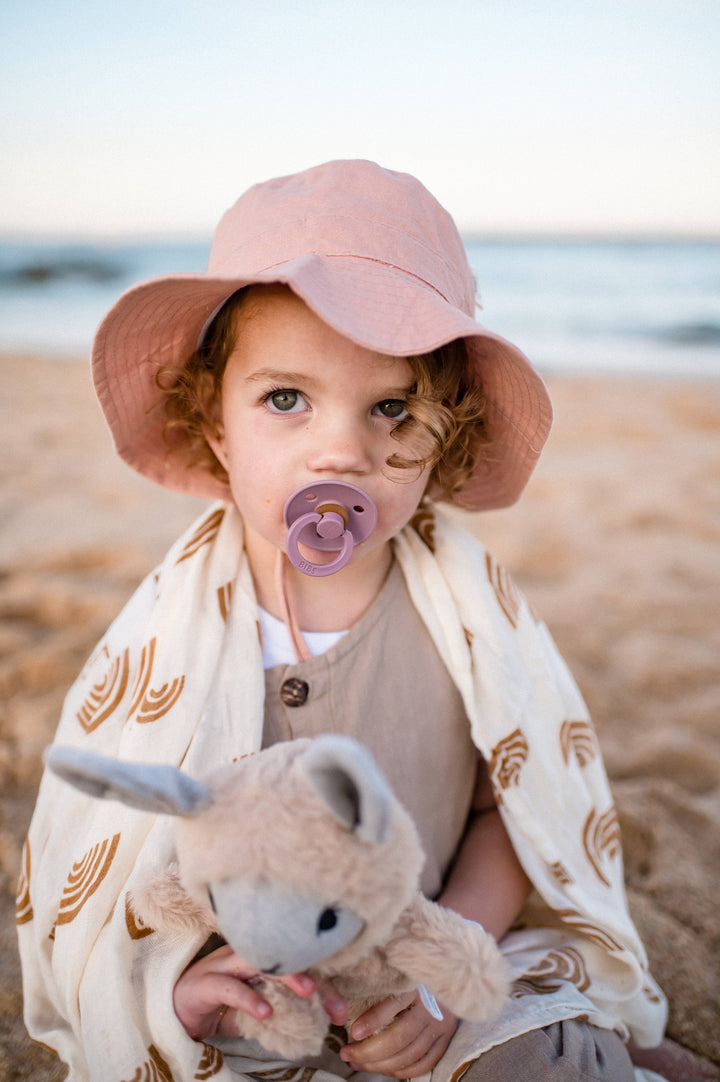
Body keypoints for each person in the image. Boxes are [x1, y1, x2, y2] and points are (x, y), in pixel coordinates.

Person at [18, 160, 667, 1082]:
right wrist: (180, 993)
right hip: (256, 989)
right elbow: (113, 873)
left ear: (447, 430)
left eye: (391, 407)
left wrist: (445, 974)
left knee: (551, 1054)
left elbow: (519, 812)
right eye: (286, 399)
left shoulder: (467, 612)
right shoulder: (173, 631)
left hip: (424, 963)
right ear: (215, 427)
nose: (342, 450)